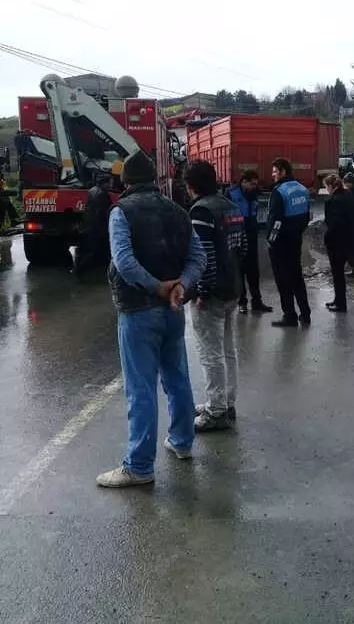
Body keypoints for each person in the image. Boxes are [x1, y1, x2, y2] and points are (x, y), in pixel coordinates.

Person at [97, 150, 206, 488]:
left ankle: (140, 466)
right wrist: (181, 287)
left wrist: (158, 288)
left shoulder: (121, 212)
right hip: (173, 311)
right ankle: (181, 442)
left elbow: (124, 261)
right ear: (155, 180)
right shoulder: (178, 212)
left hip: (138, 310)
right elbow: (198, 257)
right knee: (177, 377)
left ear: (125, 182)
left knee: (140, 387)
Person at [187, 160, 246, 432]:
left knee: (211, 353)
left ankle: (216, 410)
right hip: (233, 287)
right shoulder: (231, 206)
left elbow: (204, 256)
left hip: (213, 293)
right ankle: (226, 402)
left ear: (191, 186)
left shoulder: (201, 211)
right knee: (227, 350)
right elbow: (242, 248)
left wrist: (202, 291)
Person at [267, 158, 311, 328]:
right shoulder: (302, 189)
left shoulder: (279, 191)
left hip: (281, 244)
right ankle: (305, 314)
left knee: (283, 280)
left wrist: (271, 241)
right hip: (295, 240)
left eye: (274, 171)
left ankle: (289, 315)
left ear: (283, 171)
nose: (272, 174)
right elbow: (307, 216)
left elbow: (275, 221)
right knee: (297, 277)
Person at [226, 170, 272, 315]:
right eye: (252, 184)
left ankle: (257, 301)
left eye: (256, 184)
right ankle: (242, 302)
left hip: (252, 233)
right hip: (237, 234)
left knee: (253, 270)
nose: (254, 187)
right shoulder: (231, 194)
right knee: (239, 270)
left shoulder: (255, 195)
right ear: (243, 181)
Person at [324, 174, 354, 312]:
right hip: (349, 239)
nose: (326, 190)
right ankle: (338, 299)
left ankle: (340, 303)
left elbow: (334, 224)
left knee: (337, 274)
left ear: (332, 186)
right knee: (339, 274)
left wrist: (328, 238)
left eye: (326, 187)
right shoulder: (348, 195)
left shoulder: (335, 200)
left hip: (337, 242)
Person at [75, 174, 113, 277]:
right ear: (104, 183)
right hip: (96, 229)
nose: (111, 184)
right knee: (96, 251)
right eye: (109, 182)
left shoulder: (92, 190)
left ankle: (80, 269)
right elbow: (103, 213)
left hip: (88, 227)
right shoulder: (101, 194)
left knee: (86, 249)